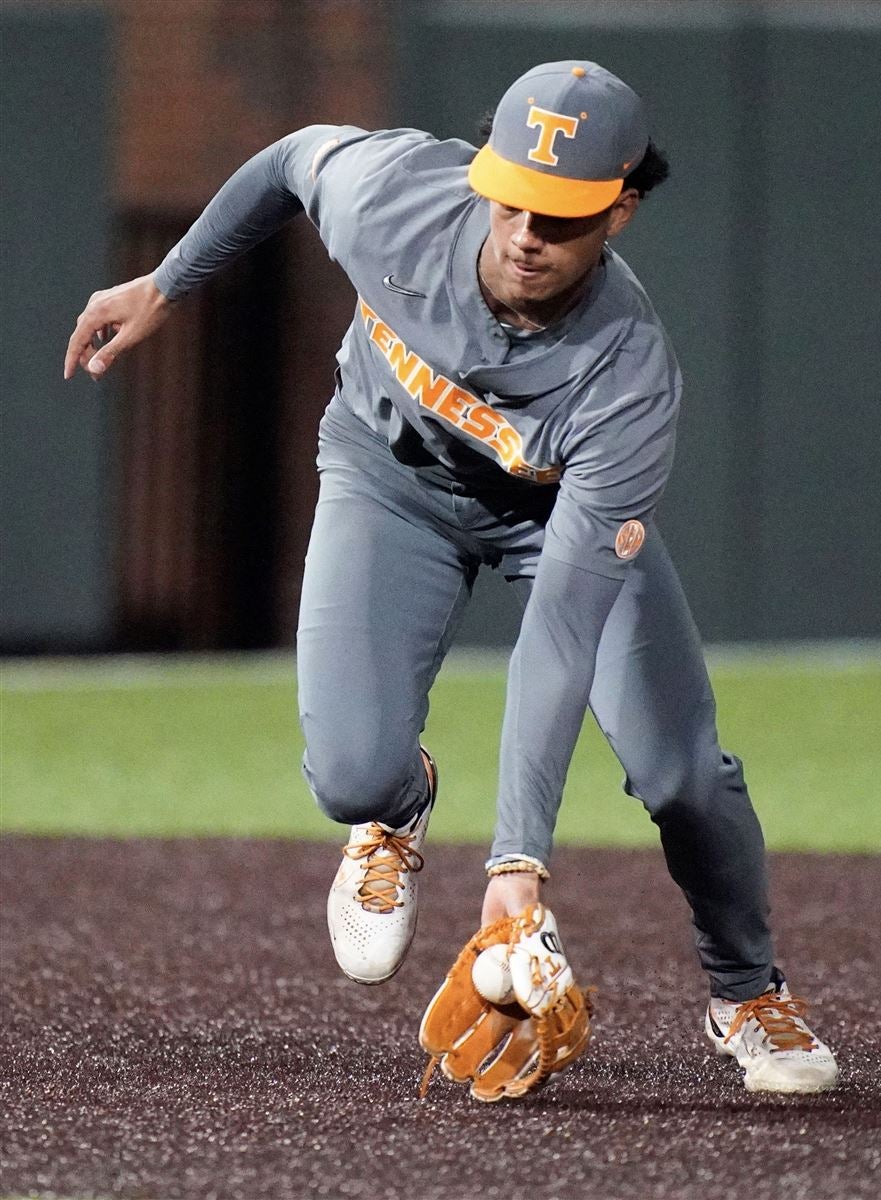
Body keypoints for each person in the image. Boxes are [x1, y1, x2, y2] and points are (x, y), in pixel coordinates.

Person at [65, 60, 837, 1094]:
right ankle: (396, 802)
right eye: (511, 198)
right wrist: (167, 284)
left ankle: (749, 995)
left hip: (551, 520)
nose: (525, 232)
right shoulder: (396, 200)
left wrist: (516, 867)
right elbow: (293, 161)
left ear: (622, 210)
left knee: (682, 773)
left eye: (560, 216)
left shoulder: (626, 374)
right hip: (391, 486)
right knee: (347, 771)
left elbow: (560, 631)